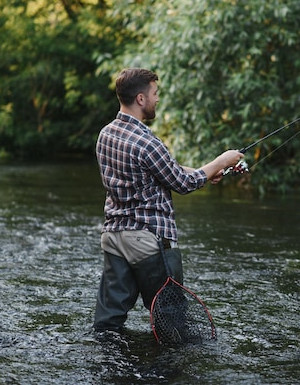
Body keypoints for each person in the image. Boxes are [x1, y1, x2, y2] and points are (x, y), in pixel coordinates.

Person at [93, 68, 244, 333]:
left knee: (108, 322)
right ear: (141, 99)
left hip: (114, 237)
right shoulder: (148, 142)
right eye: (155, 93)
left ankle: (107, 368)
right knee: (171, 322)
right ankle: (168, 374)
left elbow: (165, 170)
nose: (157, 99)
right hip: (149, 241)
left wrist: (206, 173)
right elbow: (182, 184)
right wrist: (221, 161)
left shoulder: (106, 134)